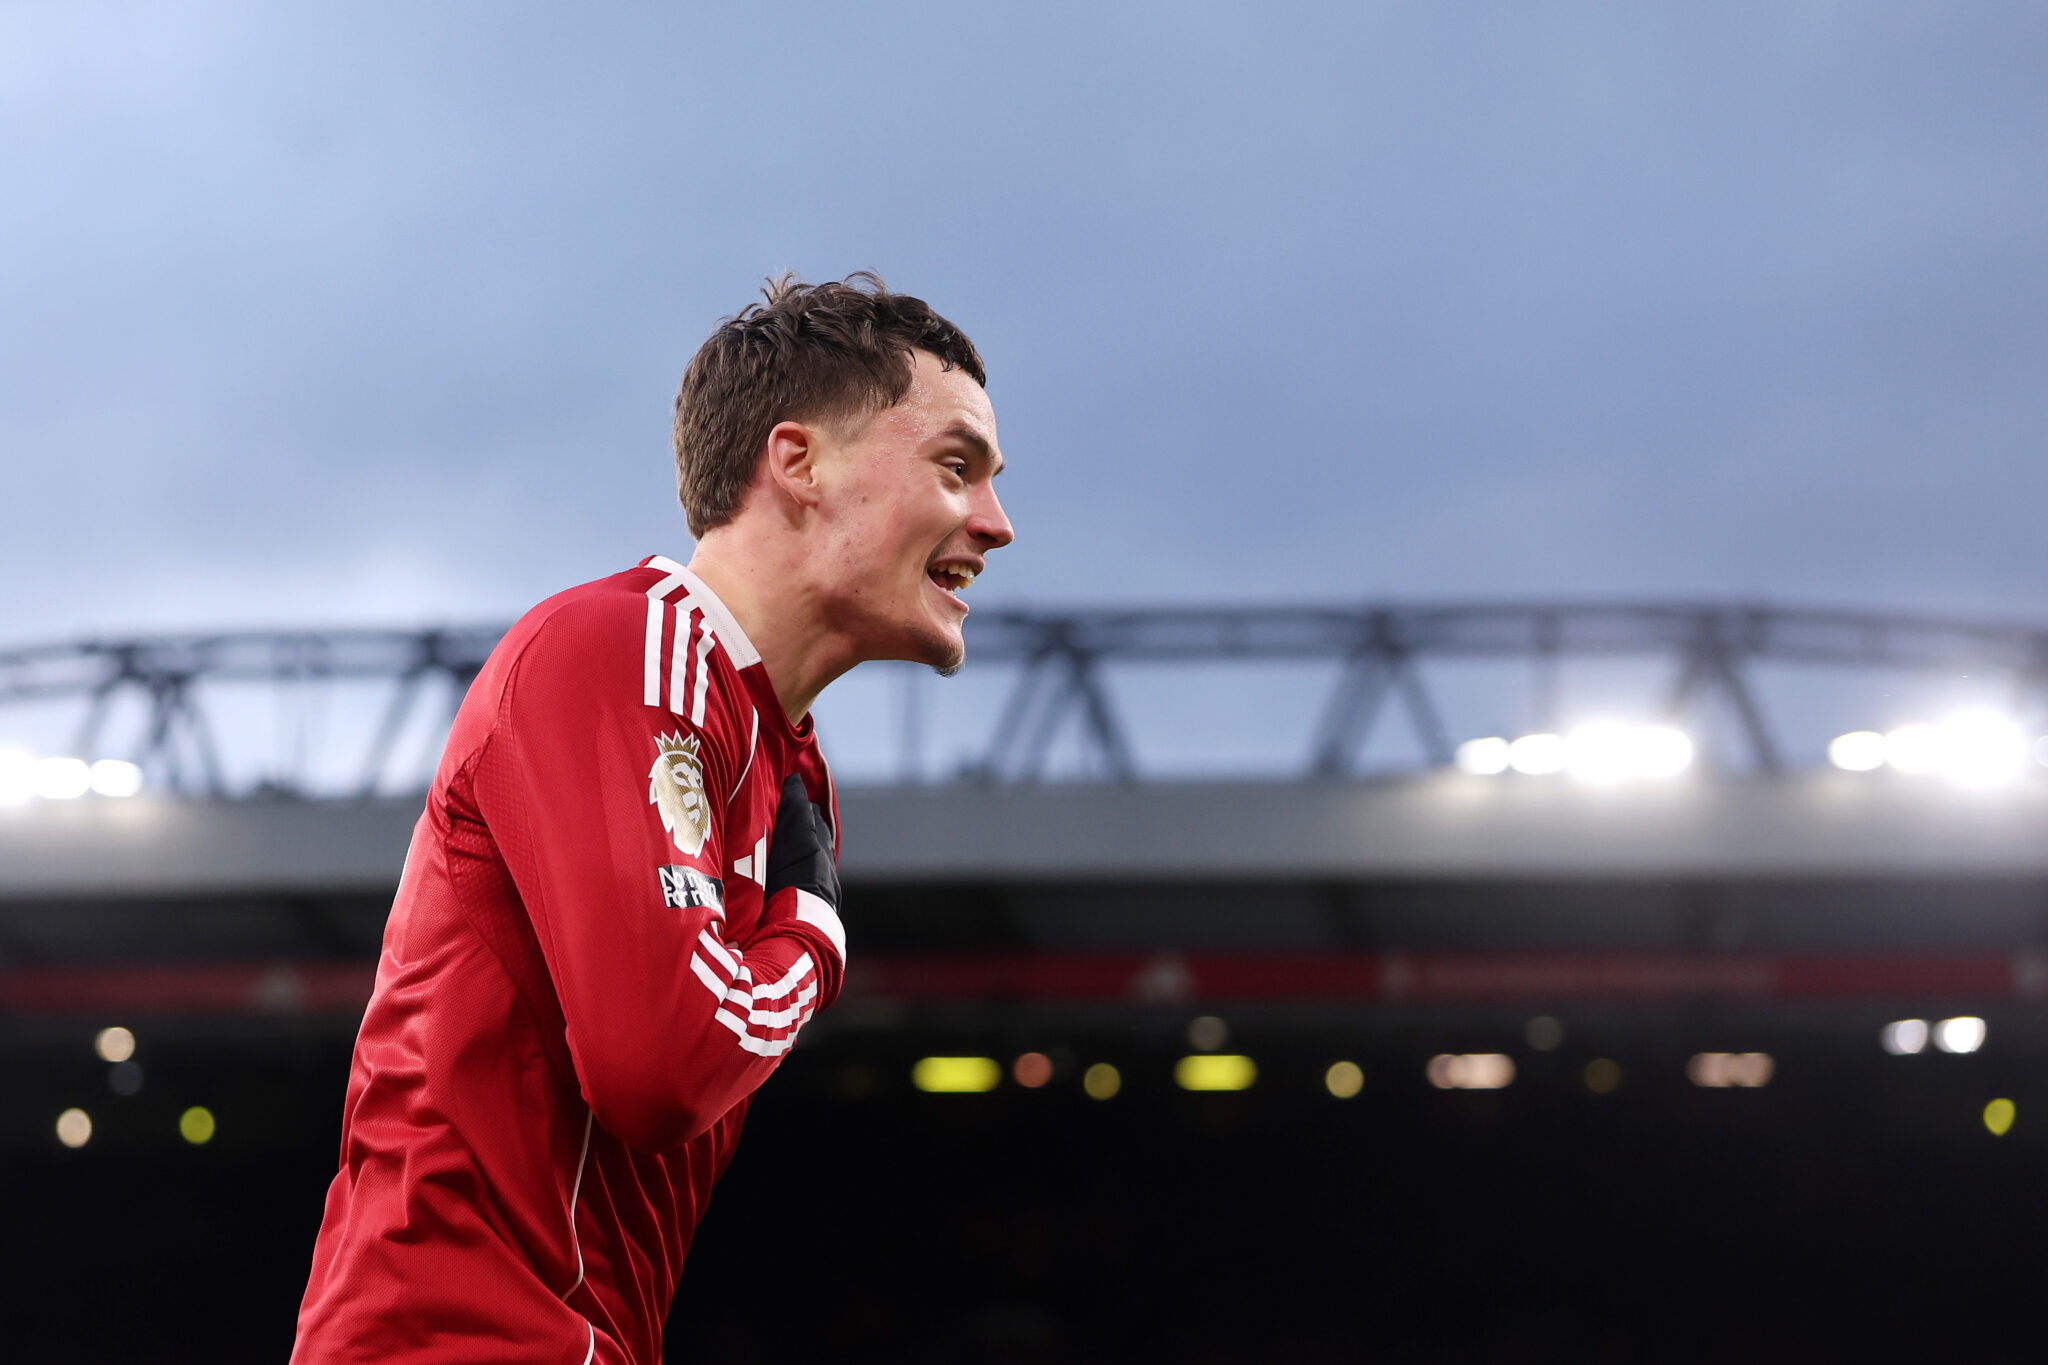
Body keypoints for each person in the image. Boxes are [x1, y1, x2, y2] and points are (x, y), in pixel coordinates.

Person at [291, 273, 1014, 1364]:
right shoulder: (622, 649)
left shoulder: (785, 762)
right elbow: (660, 1068)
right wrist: (811, 943)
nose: (996, 524)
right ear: (797, 462)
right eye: (956, 467)